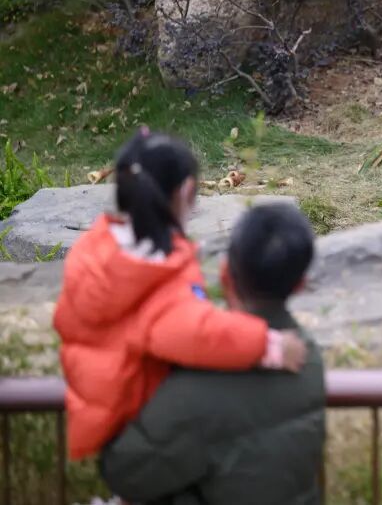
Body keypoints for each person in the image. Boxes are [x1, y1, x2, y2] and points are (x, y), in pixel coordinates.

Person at [53, 130, 307, 461]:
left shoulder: (94, 249)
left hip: (106, 417)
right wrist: (267, 345)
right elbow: (196, 332)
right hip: (145, 431)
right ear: (187, 192)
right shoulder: (154, 270)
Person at [100, 203, 326, 505]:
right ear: (300, 284)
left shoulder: (197, 383)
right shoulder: (308, 358)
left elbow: (124, 473)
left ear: (224, 275)